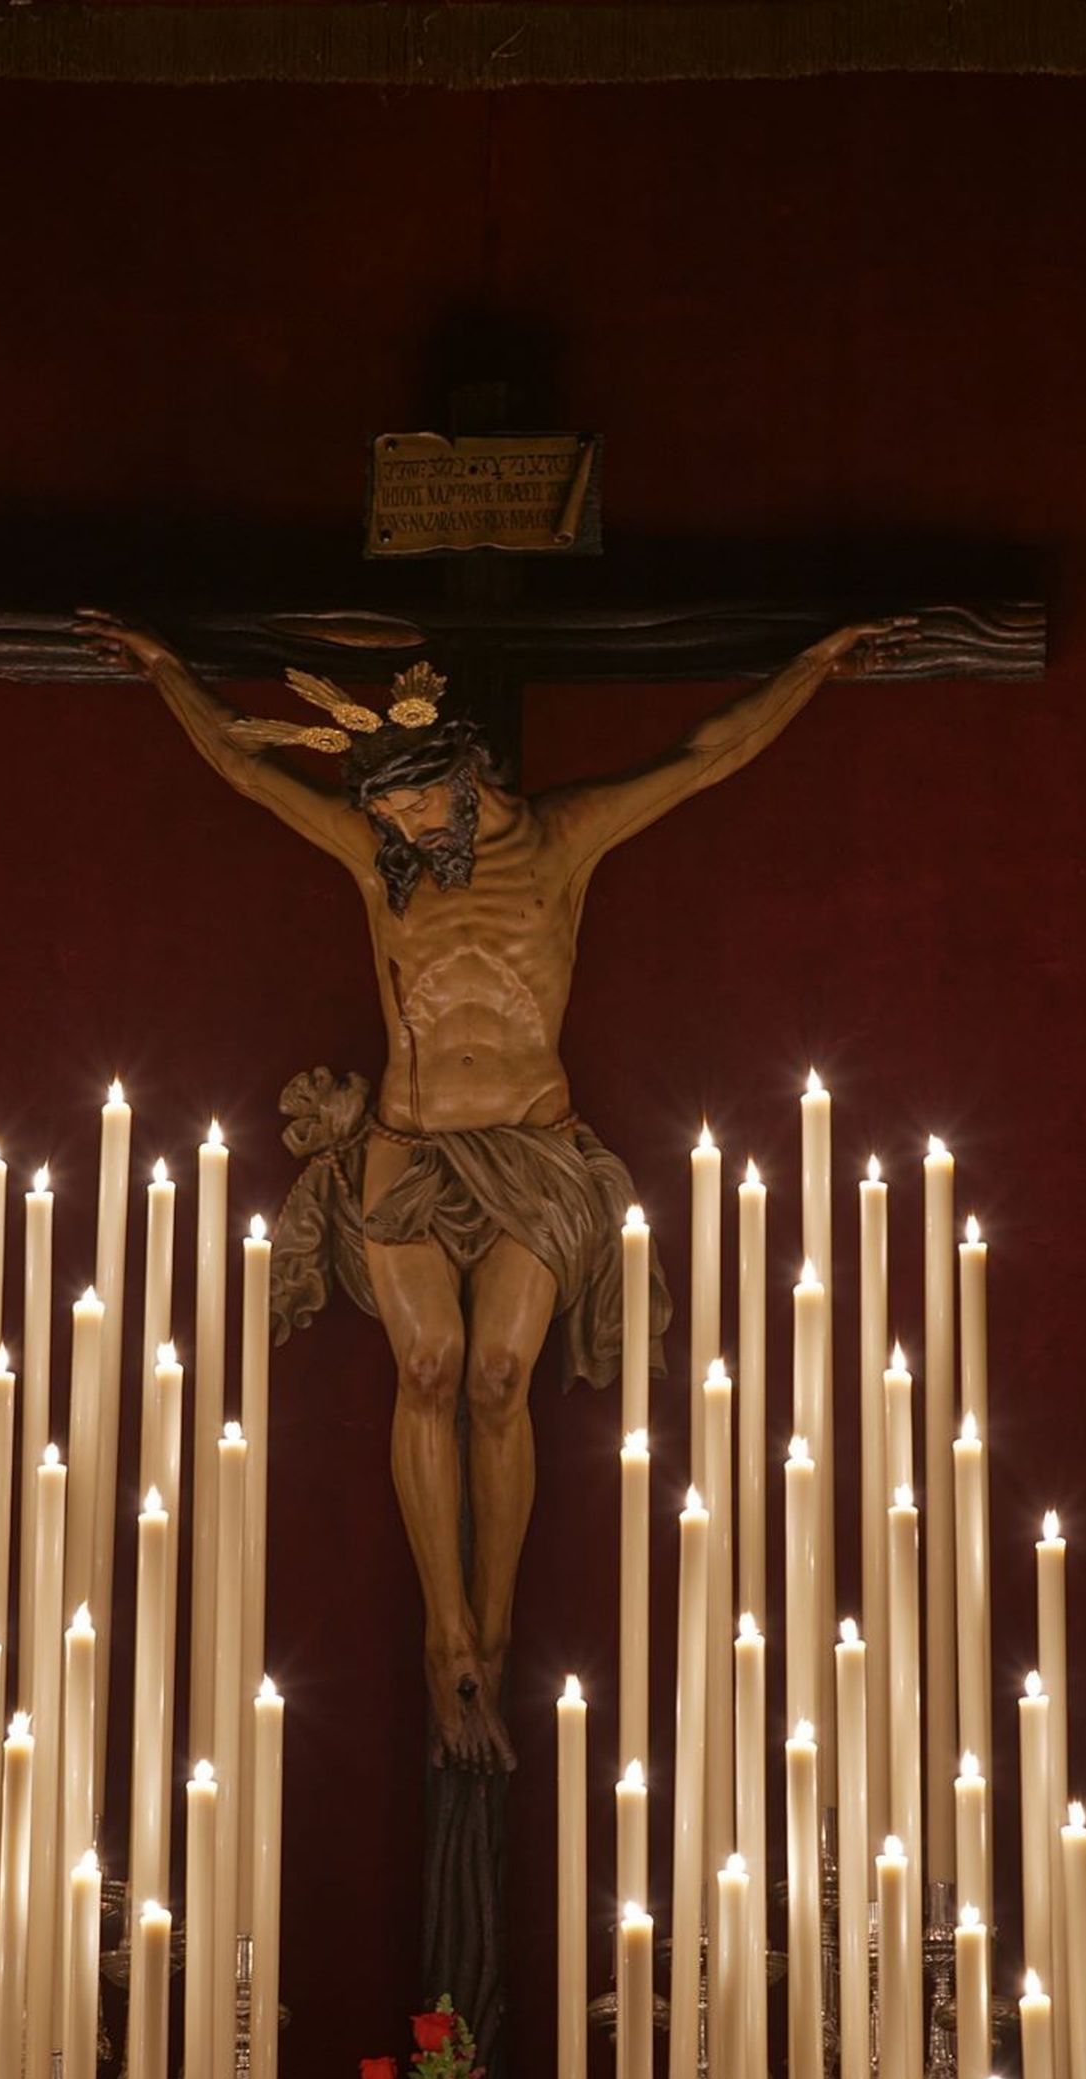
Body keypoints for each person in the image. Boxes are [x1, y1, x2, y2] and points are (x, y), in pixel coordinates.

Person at [77, 610, 913, 1766]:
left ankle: (498, 1631)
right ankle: (446, 1634)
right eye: (381, 812)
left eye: (411, 804)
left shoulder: (563, 843)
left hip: (532, 1146)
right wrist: (168, 666)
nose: (394, 827)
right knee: (427, 1367)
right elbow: (247, 766)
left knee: (500, 1378)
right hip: (408, 1143)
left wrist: (811, 666)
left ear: (463, 772)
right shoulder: (376, 859)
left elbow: (705, 754)